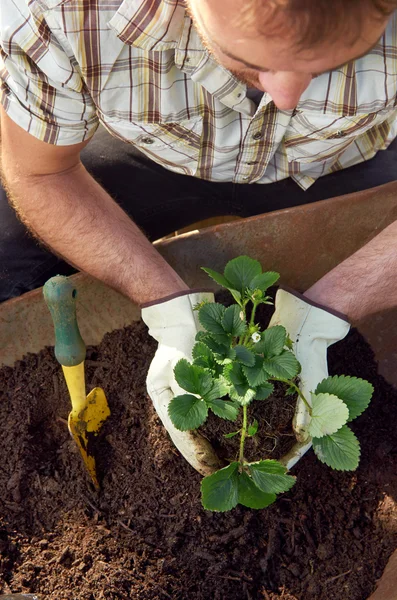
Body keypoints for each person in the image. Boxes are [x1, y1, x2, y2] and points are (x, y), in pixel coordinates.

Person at [1, 0, 397, 473]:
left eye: (341, 59)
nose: (288, 93)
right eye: (252, 61)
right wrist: (162, 302)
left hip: (338, 155)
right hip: (159, 149)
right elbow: (41, 175)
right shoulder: (60, 13)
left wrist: (334, 307)